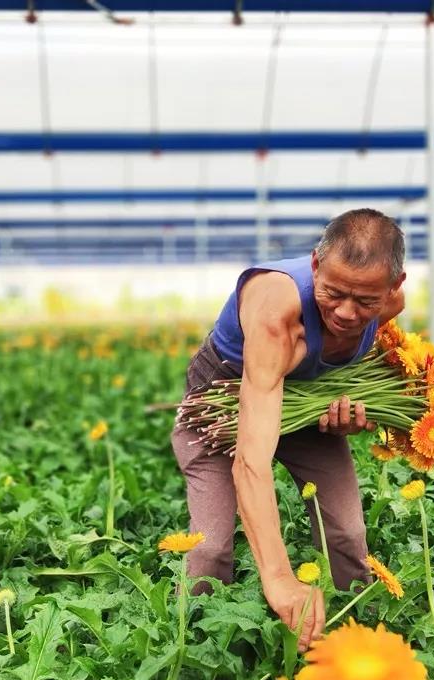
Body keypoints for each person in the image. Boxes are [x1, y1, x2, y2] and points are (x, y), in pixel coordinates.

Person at [171, 208, 406, 652]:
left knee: (348, 535)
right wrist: (279, 578)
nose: (346, 312)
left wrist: (349, 406)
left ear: (395, 286)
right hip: (222, 405)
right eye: (333, 293)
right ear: (315, 264)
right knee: (210, 549)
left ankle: (355, 642)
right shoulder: (276, 316)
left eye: (366, 302)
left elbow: (341, 359)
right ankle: (194, 655)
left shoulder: (391, 305)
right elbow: (251, 464)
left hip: (304, 406)